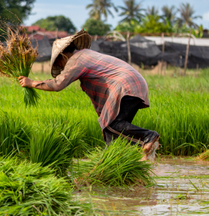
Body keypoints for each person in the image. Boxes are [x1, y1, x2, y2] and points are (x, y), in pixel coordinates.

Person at [18, 30, 159, 161]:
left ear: (62, 56)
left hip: (125, 85)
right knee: (114, 135)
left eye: (59, 63)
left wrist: (31, 83)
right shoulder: (87, 55)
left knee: (112, 125)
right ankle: (119, 164)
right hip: (135, 84)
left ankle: (148, 137)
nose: (62, 67)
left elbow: (57, 84)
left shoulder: (77, 60)